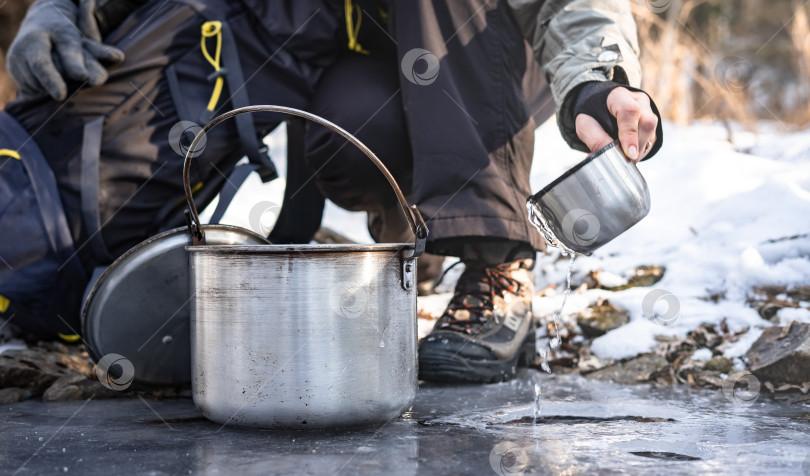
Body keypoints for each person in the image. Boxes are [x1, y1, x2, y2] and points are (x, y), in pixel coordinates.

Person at [1, 0, 662, 383]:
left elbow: (574, 6)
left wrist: (599, 81)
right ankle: (420, 226)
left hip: (480, 45)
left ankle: (498, 269)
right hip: (359, 61)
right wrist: (58, 8)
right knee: (345, 135)